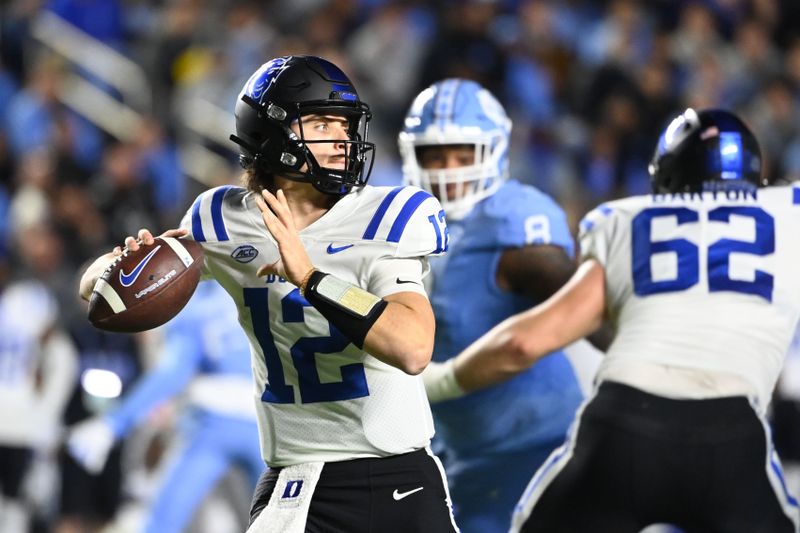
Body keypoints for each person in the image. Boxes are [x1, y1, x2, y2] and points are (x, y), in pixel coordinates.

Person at [78, 55, 458, 533]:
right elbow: (95, 289)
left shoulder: (386, 216)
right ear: (273, 136)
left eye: (344, 124)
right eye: (321, 124)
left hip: (395, 478)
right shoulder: (221, 218)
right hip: (293, 480)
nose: (342, 139)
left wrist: (313, 279)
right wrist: (118, 267)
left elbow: (413, 346)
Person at [431, 108, 800, 532]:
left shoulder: (625, 220)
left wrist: (439, 381)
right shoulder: (789, 213)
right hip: (732, 437)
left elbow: (525, 343)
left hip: (624, 426)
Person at [398, 78, 593, 532]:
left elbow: (583, 303)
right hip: (450, 446)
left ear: (494, 151)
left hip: (533, 443)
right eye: (435, 155)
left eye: (463, 154)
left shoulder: (512, 220)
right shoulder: (403, 219)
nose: (449, 169)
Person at [66, 280, 264, 533]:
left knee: (162, 522)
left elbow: (172, 373)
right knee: (290, 520)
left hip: (213, 425)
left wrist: (114, 423)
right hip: (272, 423)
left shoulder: (198, 304)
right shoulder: (270, 288)